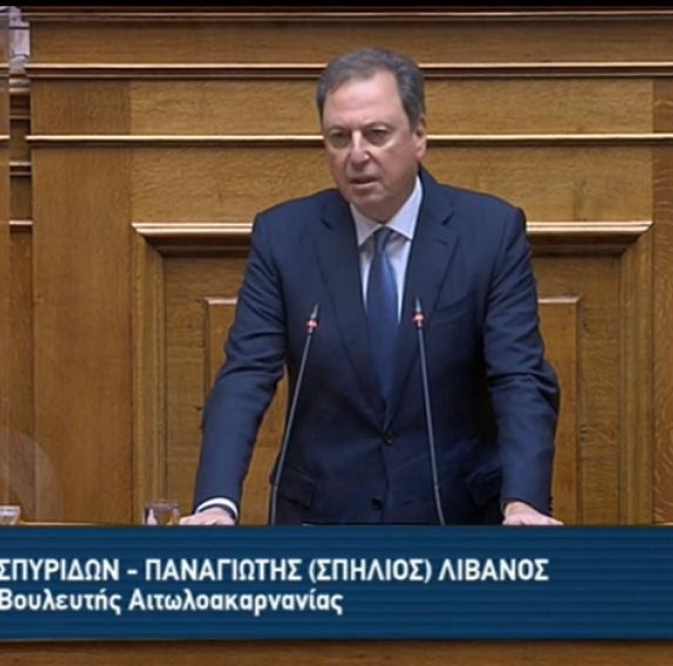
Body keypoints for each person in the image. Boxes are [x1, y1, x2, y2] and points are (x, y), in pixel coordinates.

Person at [181, 47, 561, 527]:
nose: (356, 155)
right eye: (339, 138)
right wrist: (216, 502)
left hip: (455, 520)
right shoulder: (285, 236)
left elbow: (519, 378)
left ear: (419, 135)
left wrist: (523, 501)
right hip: (321, 524)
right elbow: (246, 375)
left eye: (376, 134)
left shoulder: (489, 233)